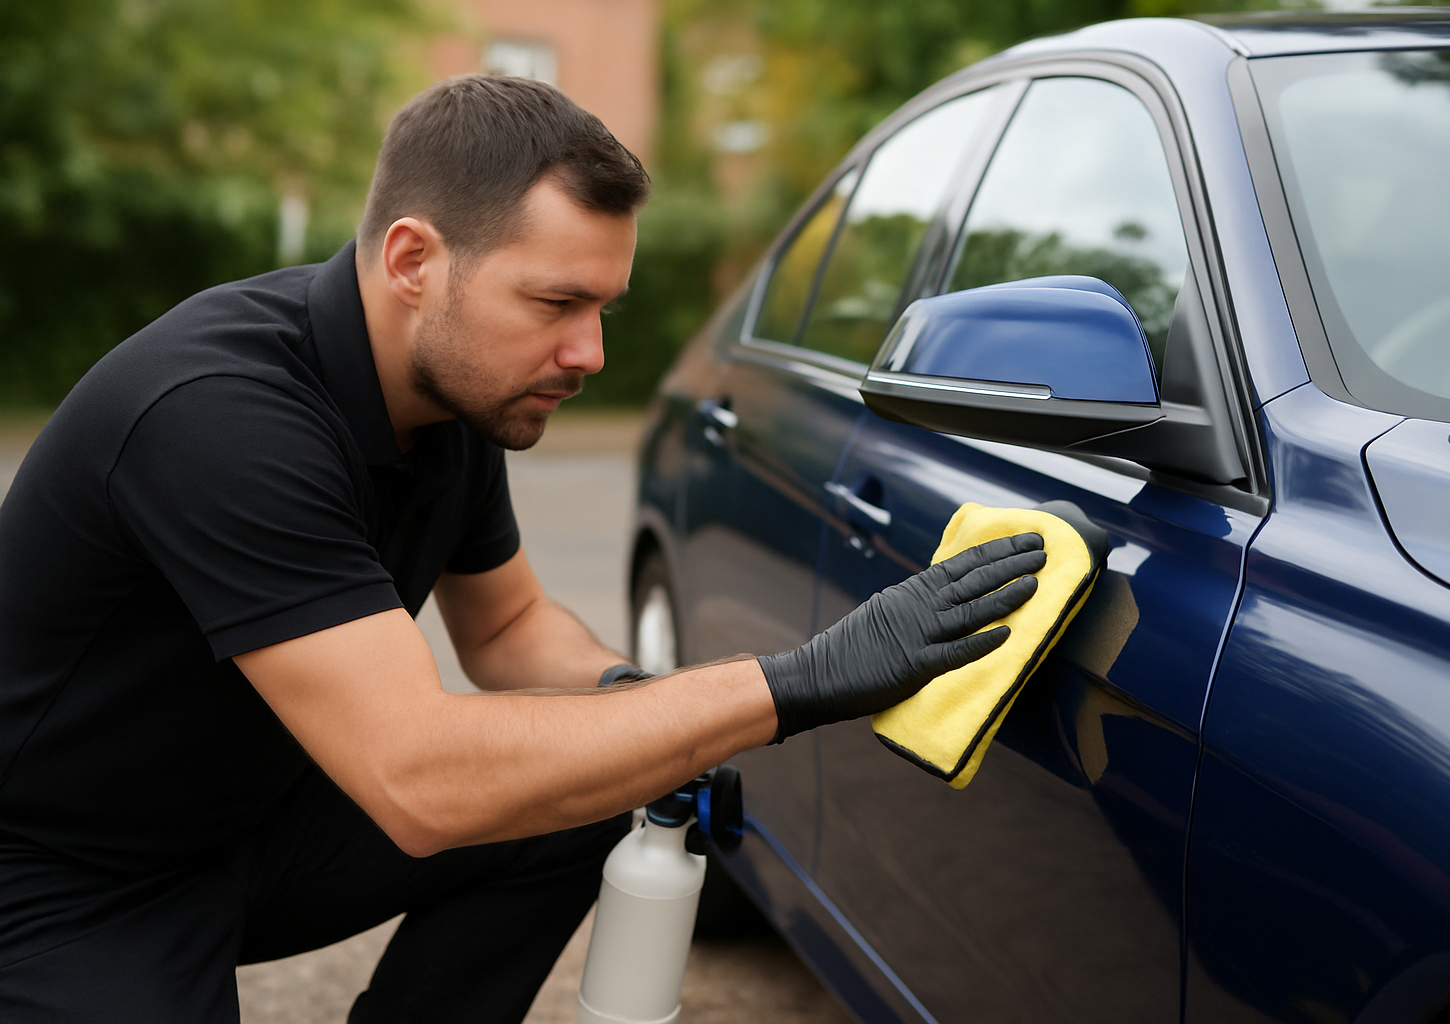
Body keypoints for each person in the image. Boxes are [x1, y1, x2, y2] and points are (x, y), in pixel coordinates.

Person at [0, 75, 1045, 1022]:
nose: (590, 352)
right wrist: (792, 683)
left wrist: (645, 705)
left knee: (581, 792)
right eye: (556, 303)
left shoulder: (452, 392)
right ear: (413, 261)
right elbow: (418, 780)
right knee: (507, 774)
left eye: (603, 307)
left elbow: (507, 627)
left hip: (255, 817)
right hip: (63, 870)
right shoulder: (218, 416)